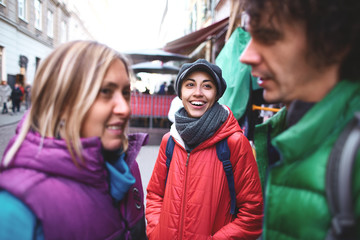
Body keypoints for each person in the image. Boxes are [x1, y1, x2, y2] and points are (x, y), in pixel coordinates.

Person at [0, 40, 148, 240]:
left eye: (125, 93)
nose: (125, 108)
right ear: (62, 102)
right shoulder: (17, 207)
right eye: (105, 92)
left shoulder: (129, 167)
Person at [239, 0, 360, 239]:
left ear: (333, 42)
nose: (246, 55)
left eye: (269, 36)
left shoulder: (352, 152)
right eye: (251, 36)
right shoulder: (281, 129)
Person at [146, 59, 263, 239]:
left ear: (216, 94)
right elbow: (155, 194)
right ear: (180, 92)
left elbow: (252, 214)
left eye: (207, 86)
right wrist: (157, 232)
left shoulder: (234, 142)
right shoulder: (169, 141)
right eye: (190, 85)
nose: (198, 93)